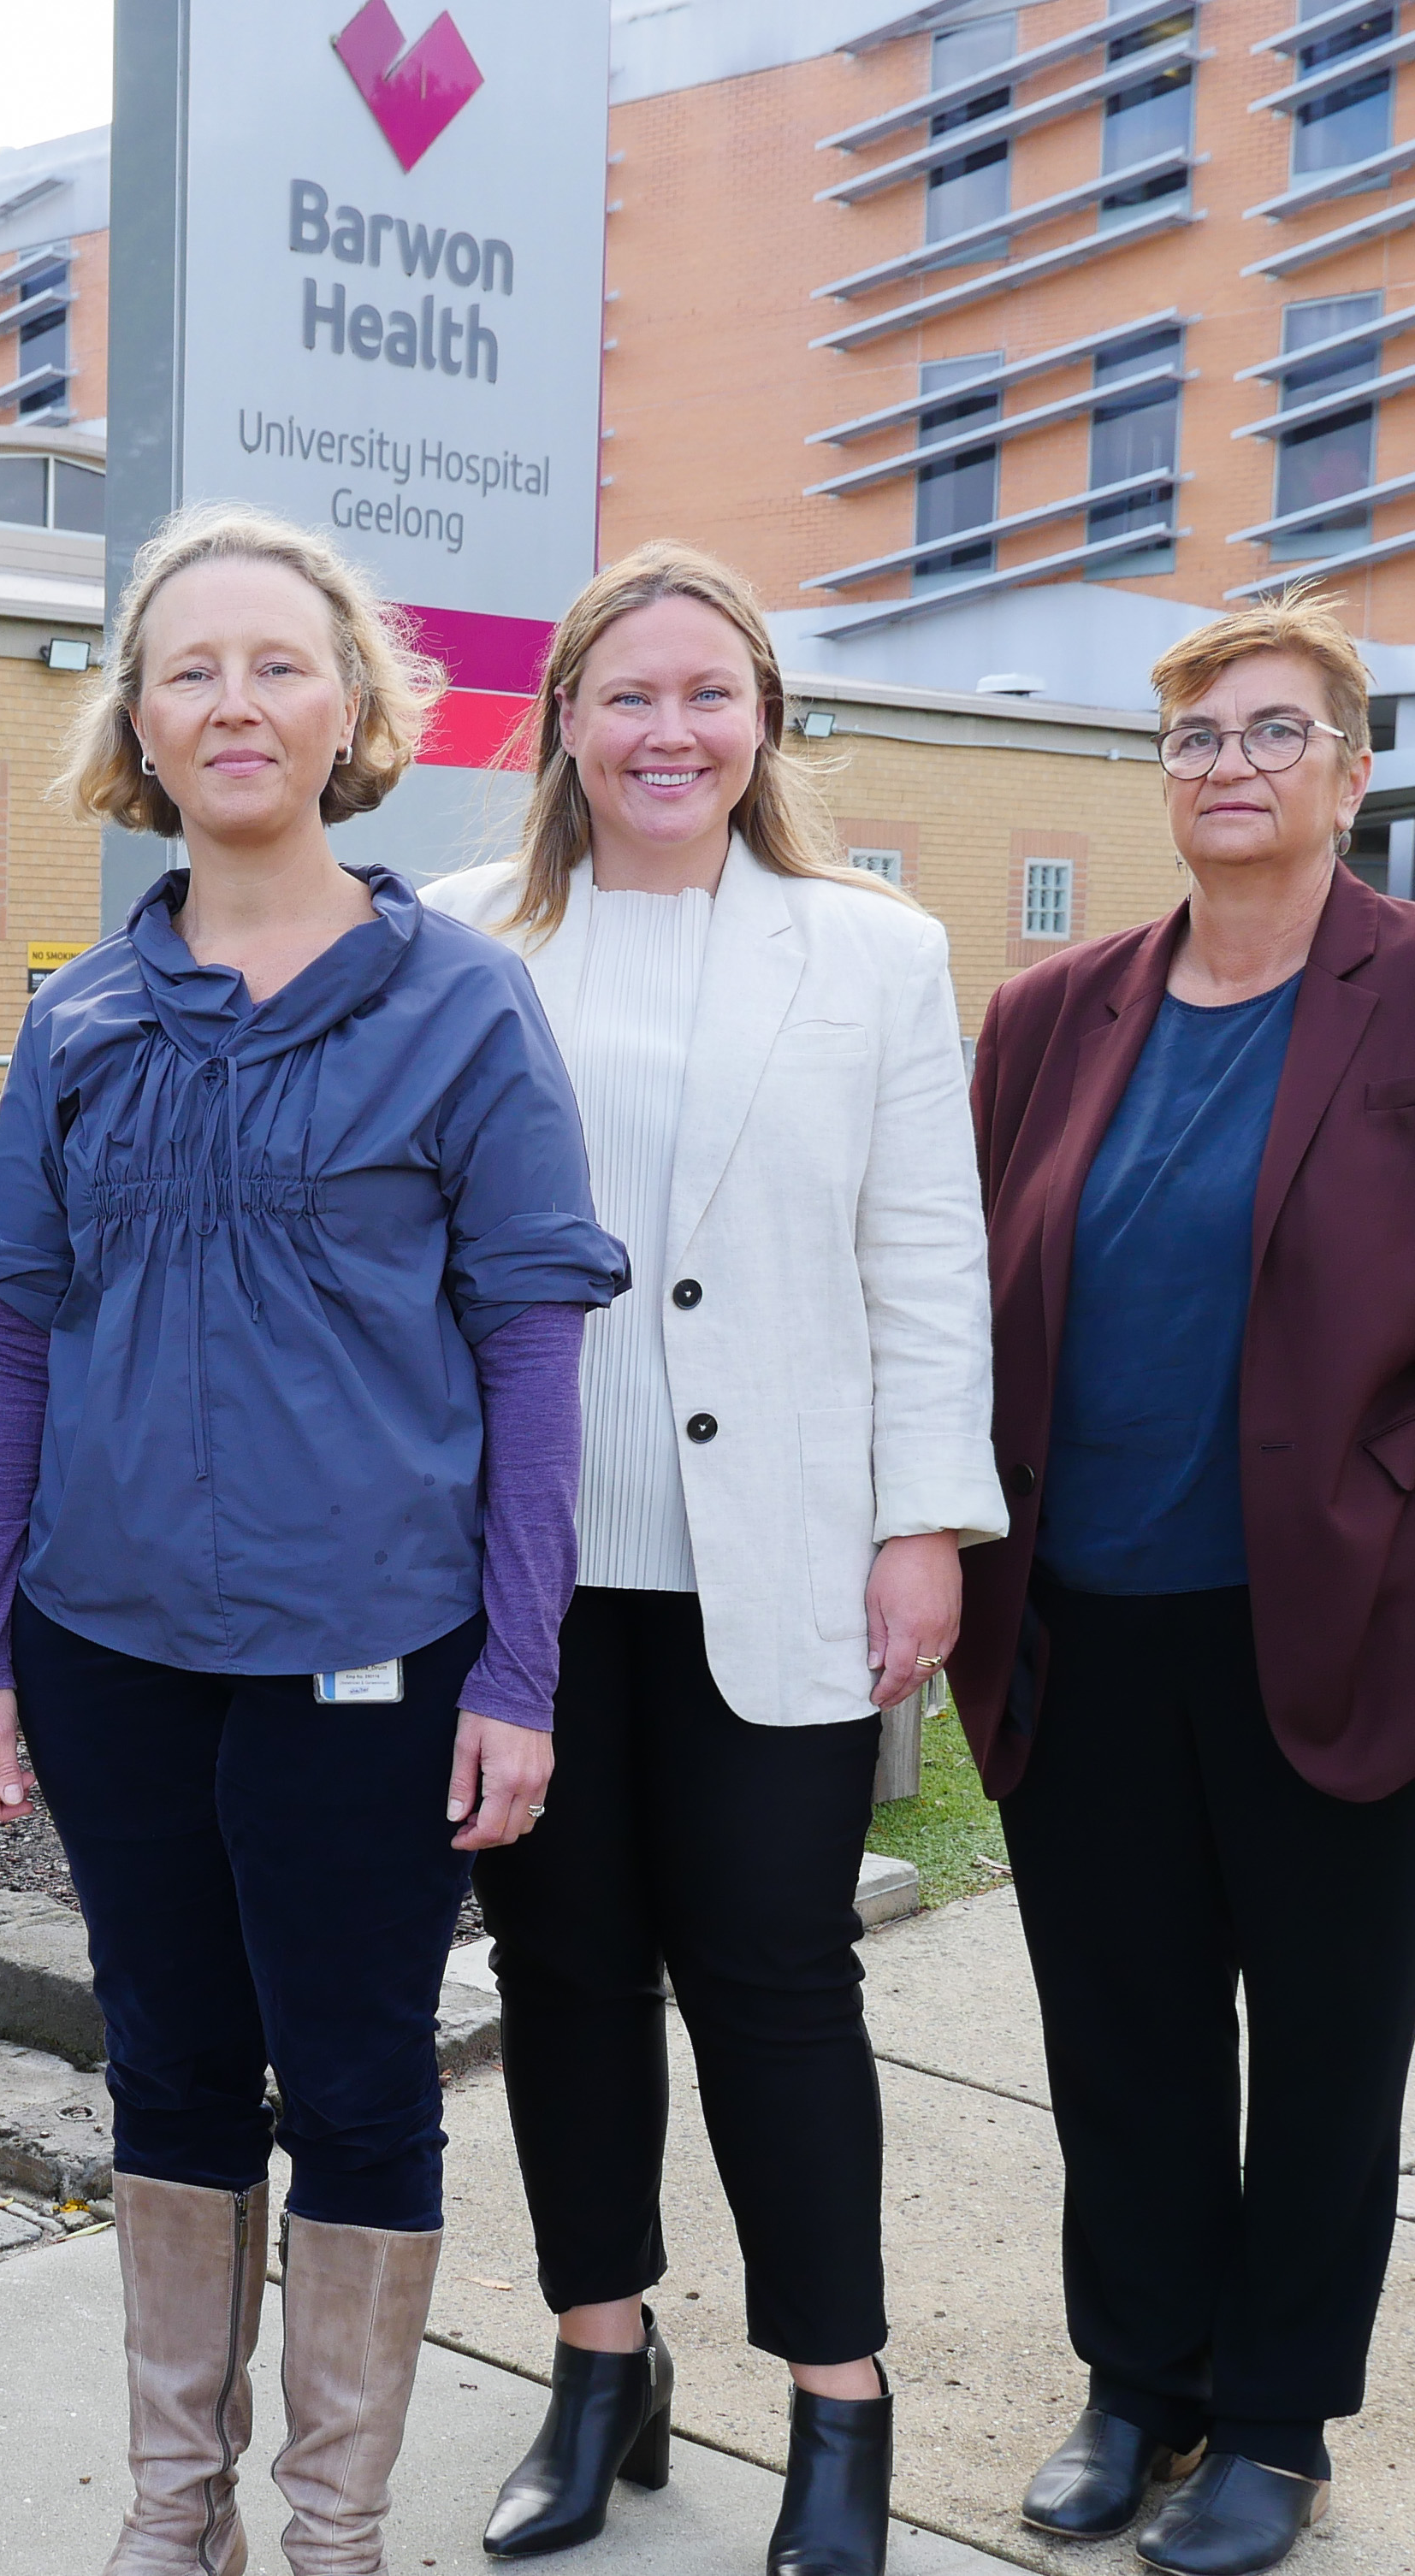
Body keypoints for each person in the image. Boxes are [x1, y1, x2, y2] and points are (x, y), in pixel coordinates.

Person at [0, 502, 627, 2576]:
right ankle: (176, 2518)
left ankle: (333, 2534)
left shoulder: (465, 1006)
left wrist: (516, 1671)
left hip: (371, 1660)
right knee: (162, 2068)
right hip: (109, 1648)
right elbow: (12, 1344)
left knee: (355, 2084)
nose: (233, 701)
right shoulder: (76, 1024)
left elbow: (529, 1361)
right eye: (188, 667)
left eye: (277, 663)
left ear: (353, 710)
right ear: (137, 723)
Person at [953, 589, 1415, 2576]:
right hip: (1083, 1621)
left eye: (1270, 732)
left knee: (1323, 2039)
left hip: (1343, 1613)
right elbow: (975, 1290)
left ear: (1352, 769)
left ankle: (1273, 2425)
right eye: (1192, 738)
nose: (1227, 766)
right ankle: (1134, 2385)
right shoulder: (1052, 1016)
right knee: (1119, 2034)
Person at [421, 541, 1002, 2576]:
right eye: (625, 696)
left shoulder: (873, 954)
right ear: (560, 723)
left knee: (773, 1979)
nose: (666, 733)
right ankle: (601, 2367)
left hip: (785, 1561)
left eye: (705, 695)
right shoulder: (459, 937)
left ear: (760, 722)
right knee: (562, 1973)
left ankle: (837, 2408)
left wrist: (922, 1517)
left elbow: (925, 1254)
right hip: (532, 1567)